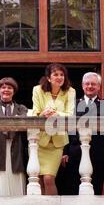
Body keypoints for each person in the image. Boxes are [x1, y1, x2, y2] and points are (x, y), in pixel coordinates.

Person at [58, 72, 104, 195]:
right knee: (73, 189)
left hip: (99, 152)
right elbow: (67, 128)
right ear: (83, 86)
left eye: (93, 84)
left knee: (97, 189)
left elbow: (102, 123)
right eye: (87, 84)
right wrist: (65, 151)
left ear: (99, 86)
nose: (90, 86)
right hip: (75, 152)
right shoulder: (73, 105)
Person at [32, 63, 76, 195]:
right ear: (48, 78)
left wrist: (57, 114)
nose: (59, 77)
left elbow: (70, 114)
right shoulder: (37, 90)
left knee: (49, 178)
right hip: (40, 142)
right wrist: (42, 115)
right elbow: (35, 112)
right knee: (38, 179)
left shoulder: (70, 91)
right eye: (55, 74)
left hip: (57, 143)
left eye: (62, 75)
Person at [0, 77, 28, 196]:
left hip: (16, 149)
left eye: (9, 88)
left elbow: (24, 122)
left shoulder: (21, 109)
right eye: (3, 87)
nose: (6, 90)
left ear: (14, 91)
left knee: (16, 180)